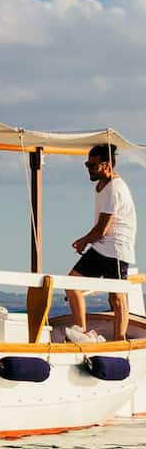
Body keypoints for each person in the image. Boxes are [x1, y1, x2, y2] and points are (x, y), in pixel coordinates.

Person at [66, 143, 137, 342]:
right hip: (101, 247)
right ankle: (81, 332)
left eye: (93, 166)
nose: (89, 169)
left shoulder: (115, 189)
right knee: (72, 284)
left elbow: (102, 228)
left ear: (107, 166)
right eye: (86, 165)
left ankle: (119, 340)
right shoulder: (102, 186)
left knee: (117, 297)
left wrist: (83, 242)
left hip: (116, 249)